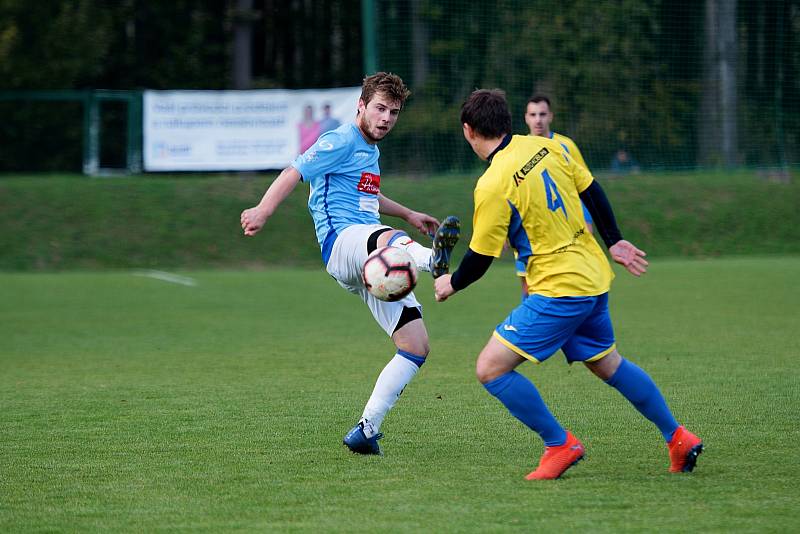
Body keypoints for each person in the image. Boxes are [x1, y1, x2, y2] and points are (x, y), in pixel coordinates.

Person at [433, 89, 702, 480]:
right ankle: (678, 437)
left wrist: (451, 284)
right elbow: (591, 188)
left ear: (468, 131)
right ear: (509, 121)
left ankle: (559, 444)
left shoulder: (492, 183)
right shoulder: (548, 147)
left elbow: (481, 257)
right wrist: (614, 240)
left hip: (561, 288)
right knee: (606, 361)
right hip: (593, 274)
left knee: (491, 368)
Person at [241, 72, 460, 456]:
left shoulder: (369, 151)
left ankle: (366, 429)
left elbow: (369, 193)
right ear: (361, 105)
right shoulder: (340, 139)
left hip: (368, 258)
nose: (386, 118)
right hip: (342, 242)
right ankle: (432, 261)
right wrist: (263, 208)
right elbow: (294, 171)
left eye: (393, 112)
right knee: (384, 238)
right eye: (379, 108)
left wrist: (409, 213)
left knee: (415, 345)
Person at [518, 94, 594, 296]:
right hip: (529, 231)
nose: (538, 120)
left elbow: (585, 187)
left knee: (570, 285)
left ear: (550, 116)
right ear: (526, 117)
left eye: (542, 114)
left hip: (564, 229)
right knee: (529, 287)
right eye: (533, 114)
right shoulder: (518, 149)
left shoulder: (566, 146)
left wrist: (587, 221)